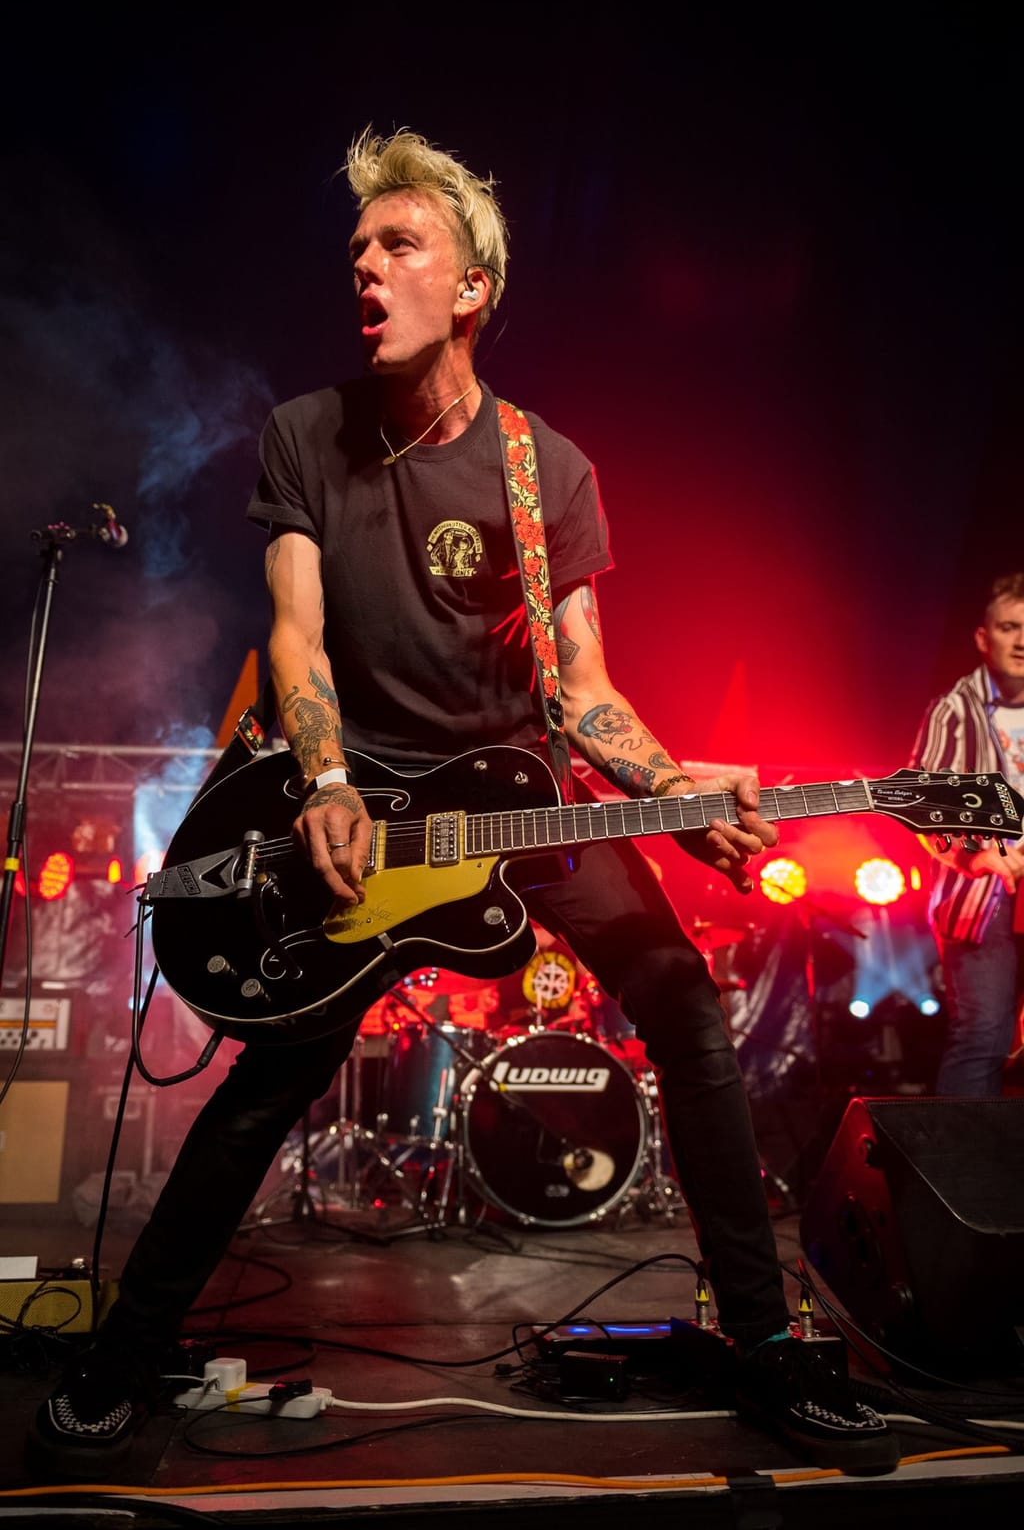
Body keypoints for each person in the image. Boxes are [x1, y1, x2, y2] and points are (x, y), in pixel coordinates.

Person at [29, 127, 898, 1478]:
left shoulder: (546, 466)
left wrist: (669, 787)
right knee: (271, 1083)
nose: (365, 272)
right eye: (357, 252)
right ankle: (122, 1354)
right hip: (362, 808)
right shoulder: (305, 434)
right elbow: (297, 632)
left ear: (472, 285)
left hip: (521, 801)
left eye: (398, 246)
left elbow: (588, 688)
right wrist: (322, 780)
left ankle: (770, 1344)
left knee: (679, 995)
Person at [908, 573, 1024, 1095]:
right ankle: (959, 1176)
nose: (1022, 640)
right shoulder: (955, 710)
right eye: (1009, 627)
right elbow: (924, 808)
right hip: (983, 900)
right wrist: (976, 858)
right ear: (984, 637)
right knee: (983, 1038)